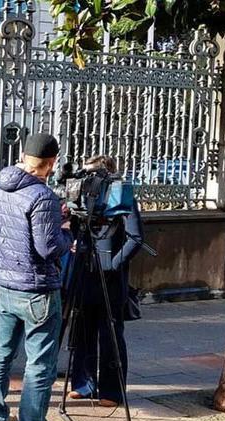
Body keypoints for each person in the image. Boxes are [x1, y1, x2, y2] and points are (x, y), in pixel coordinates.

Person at [0, 133, 77, 421]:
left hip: (3, 288)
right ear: (50, 163)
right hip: (37, 292)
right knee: (40, 365)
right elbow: (49, 248)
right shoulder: (42, 196)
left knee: (1, 351)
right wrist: (67, 233)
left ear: (21, 155)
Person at [68, 155, 143, 407]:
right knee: (82, 330)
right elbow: (77, 230)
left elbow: (136, 238)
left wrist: (114, 263)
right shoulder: (84, 199)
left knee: (110, 334)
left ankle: (111, 391)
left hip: (110, 279)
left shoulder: (122, 197)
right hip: (85, 271)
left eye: (91, 173)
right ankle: (83, 383)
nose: (86, 179)